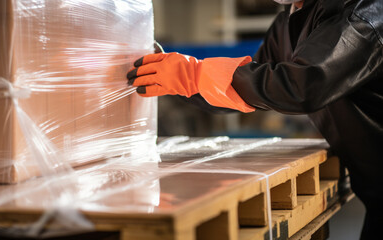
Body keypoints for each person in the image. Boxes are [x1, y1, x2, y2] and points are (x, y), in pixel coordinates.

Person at [126, 0, 383, 238]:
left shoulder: (364, 12)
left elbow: (302, 85)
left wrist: (193, 75)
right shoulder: (289, 22)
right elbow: (250, 85)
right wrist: (177, 81)